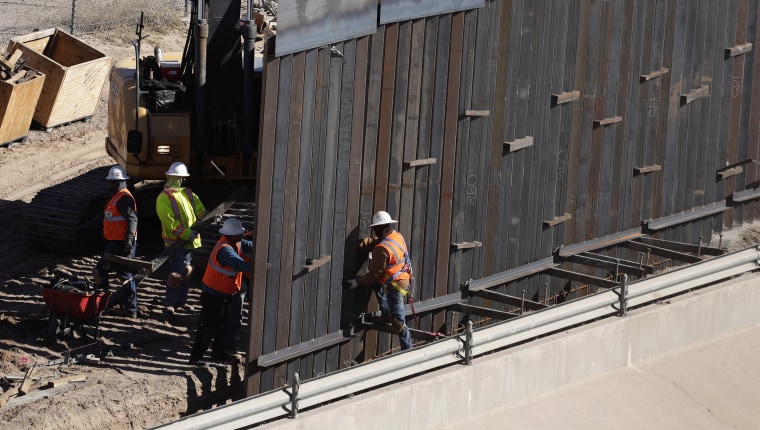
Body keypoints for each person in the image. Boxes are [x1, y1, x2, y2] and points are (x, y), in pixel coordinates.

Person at [344, 210, 414, 351]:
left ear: (381, 227)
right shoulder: (396, 236)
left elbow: (374, 275)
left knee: (398, 322)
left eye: (375, 228)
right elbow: (374, 242)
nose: (374, 232)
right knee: (377, 286)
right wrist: (357, 244)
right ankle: (386, 315)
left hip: (395, 286)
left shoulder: (381, 249)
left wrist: (356, 282)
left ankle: (408, 351)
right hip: (403, 278)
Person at [189, 218, 253, 367]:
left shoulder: (234, 242)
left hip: (224, 293)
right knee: (207, 327)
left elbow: (250, 245)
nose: (242, 236)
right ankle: (196, 357)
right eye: (239, 234)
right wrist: (261, 263)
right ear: (232, 235)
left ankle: (218, 354)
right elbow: (239, 264)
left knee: (222, 326)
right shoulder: (224, 249)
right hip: (213, 295)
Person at [79, 165, 139, 318]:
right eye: (110, 182)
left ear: (122, 182)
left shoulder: (124, 198)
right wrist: (87, 227)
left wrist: (129, 240)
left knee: (124, 276)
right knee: (100, 271)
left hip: (123, 244)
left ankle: (129, 309)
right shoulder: (115, 197)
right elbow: (105, 216)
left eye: (114, 182)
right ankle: (104, 301)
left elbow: (132, 218)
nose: (110, 185)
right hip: (114, 243)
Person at [155, 161, 207, 314]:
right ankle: (170, 303)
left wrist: (209, 216)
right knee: (177, 273)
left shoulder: (188, 193)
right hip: (176, 243)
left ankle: (180, 301)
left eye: (182, 178)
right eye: (179, 178)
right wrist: (187, 234)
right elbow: (170, 222)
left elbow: (200, 210)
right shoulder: (164, 198)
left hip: (189, 242)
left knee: (186, 271)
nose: (180, 180)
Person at [225, 228, 253, 355]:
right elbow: (240, 264)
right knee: (236, 312)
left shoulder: (247, 241)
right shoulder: (245, 240)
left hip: (251, 278)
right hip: (243, 279)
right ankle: (230, 344)